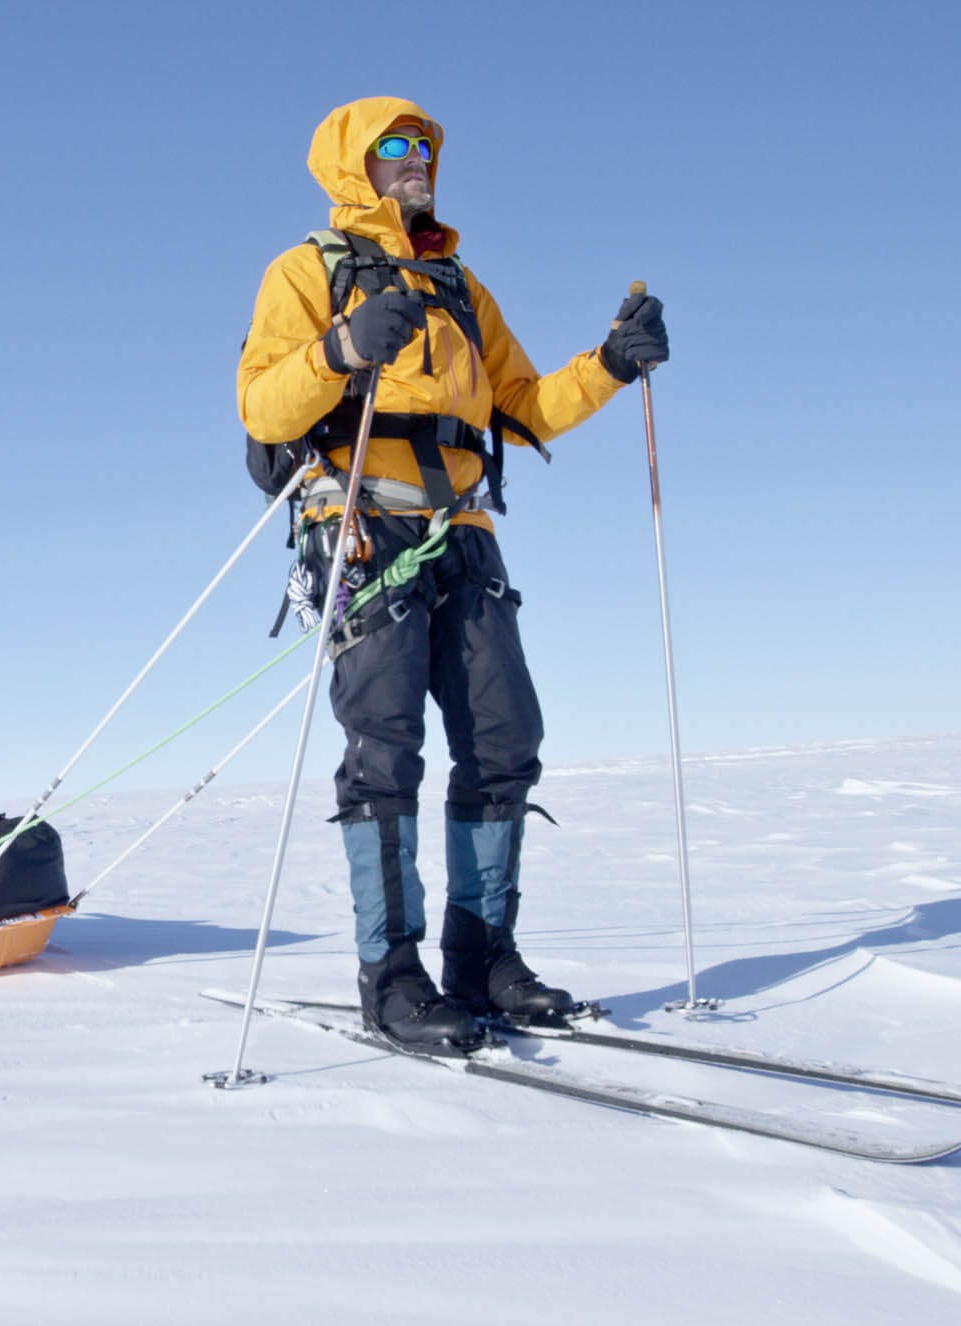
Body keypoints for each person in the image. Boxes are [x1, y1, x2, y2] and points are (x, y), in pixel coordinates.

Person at [237, 97, 670, 1053]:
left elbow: (524, 404)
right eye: (396, 147)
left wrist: (608, 362)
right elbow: (264, 405)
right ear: (357, 164)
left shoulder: (460, 287)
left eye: (427, 145)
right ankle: (391, 975)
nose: (418, 159)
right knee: (384, 749)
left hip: (462, 532)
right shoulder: (307, 271)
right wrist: (344, 348)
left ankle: (484, 958)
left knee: (507, 736)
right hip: (360, 526)